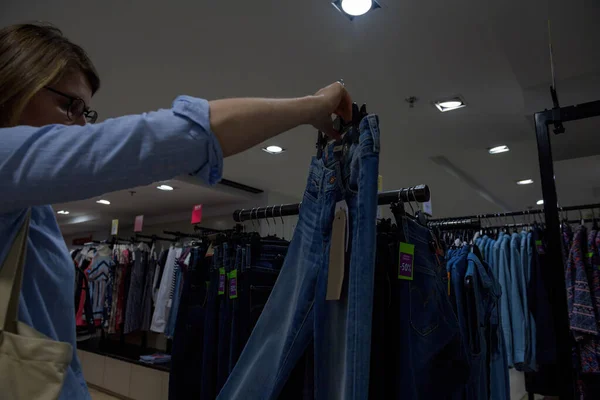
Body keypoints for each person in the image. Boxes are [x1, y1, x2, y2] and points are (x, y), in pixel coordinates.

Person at [0, 23, 352, 399]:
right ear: (15, 84)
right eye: (69, 105)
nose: (79, 123)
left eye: (86, 112)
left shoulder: (31, 209)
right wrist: (311, 106)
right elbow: (171, 138)